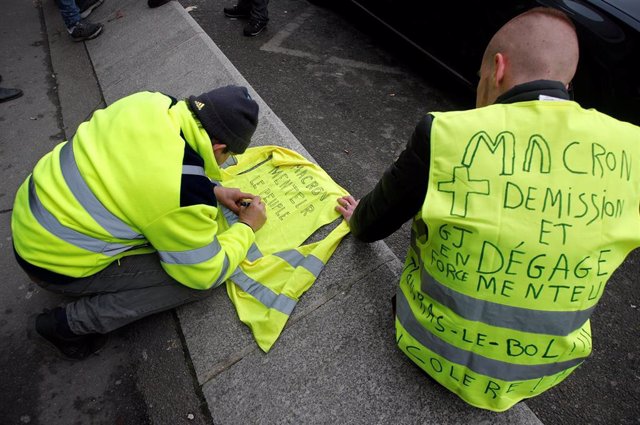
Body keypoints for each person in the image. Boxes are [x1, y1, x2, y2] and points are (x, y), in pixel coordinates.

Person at [336, 7, 640, 412]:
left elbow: (374, 223)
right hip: (546, 371)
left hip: (427, 343)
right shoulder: (631, 150)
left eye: (481, 78)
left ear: (498, 69)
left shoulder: (445, 133)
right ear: (567, 83)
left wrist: (357, 217)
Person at [12, 85, 267, 360]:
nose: (227, 161)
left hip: (31, 216)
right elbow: (204, 272)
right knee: (193, 284)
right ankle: (68, 325)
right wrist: (247, 227)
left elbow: (134, 168)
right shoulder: (183, 191)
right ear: (219, 147)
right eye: (229, 155)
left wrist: (213, 190)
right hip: (52, 264)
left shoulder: (152, 103)